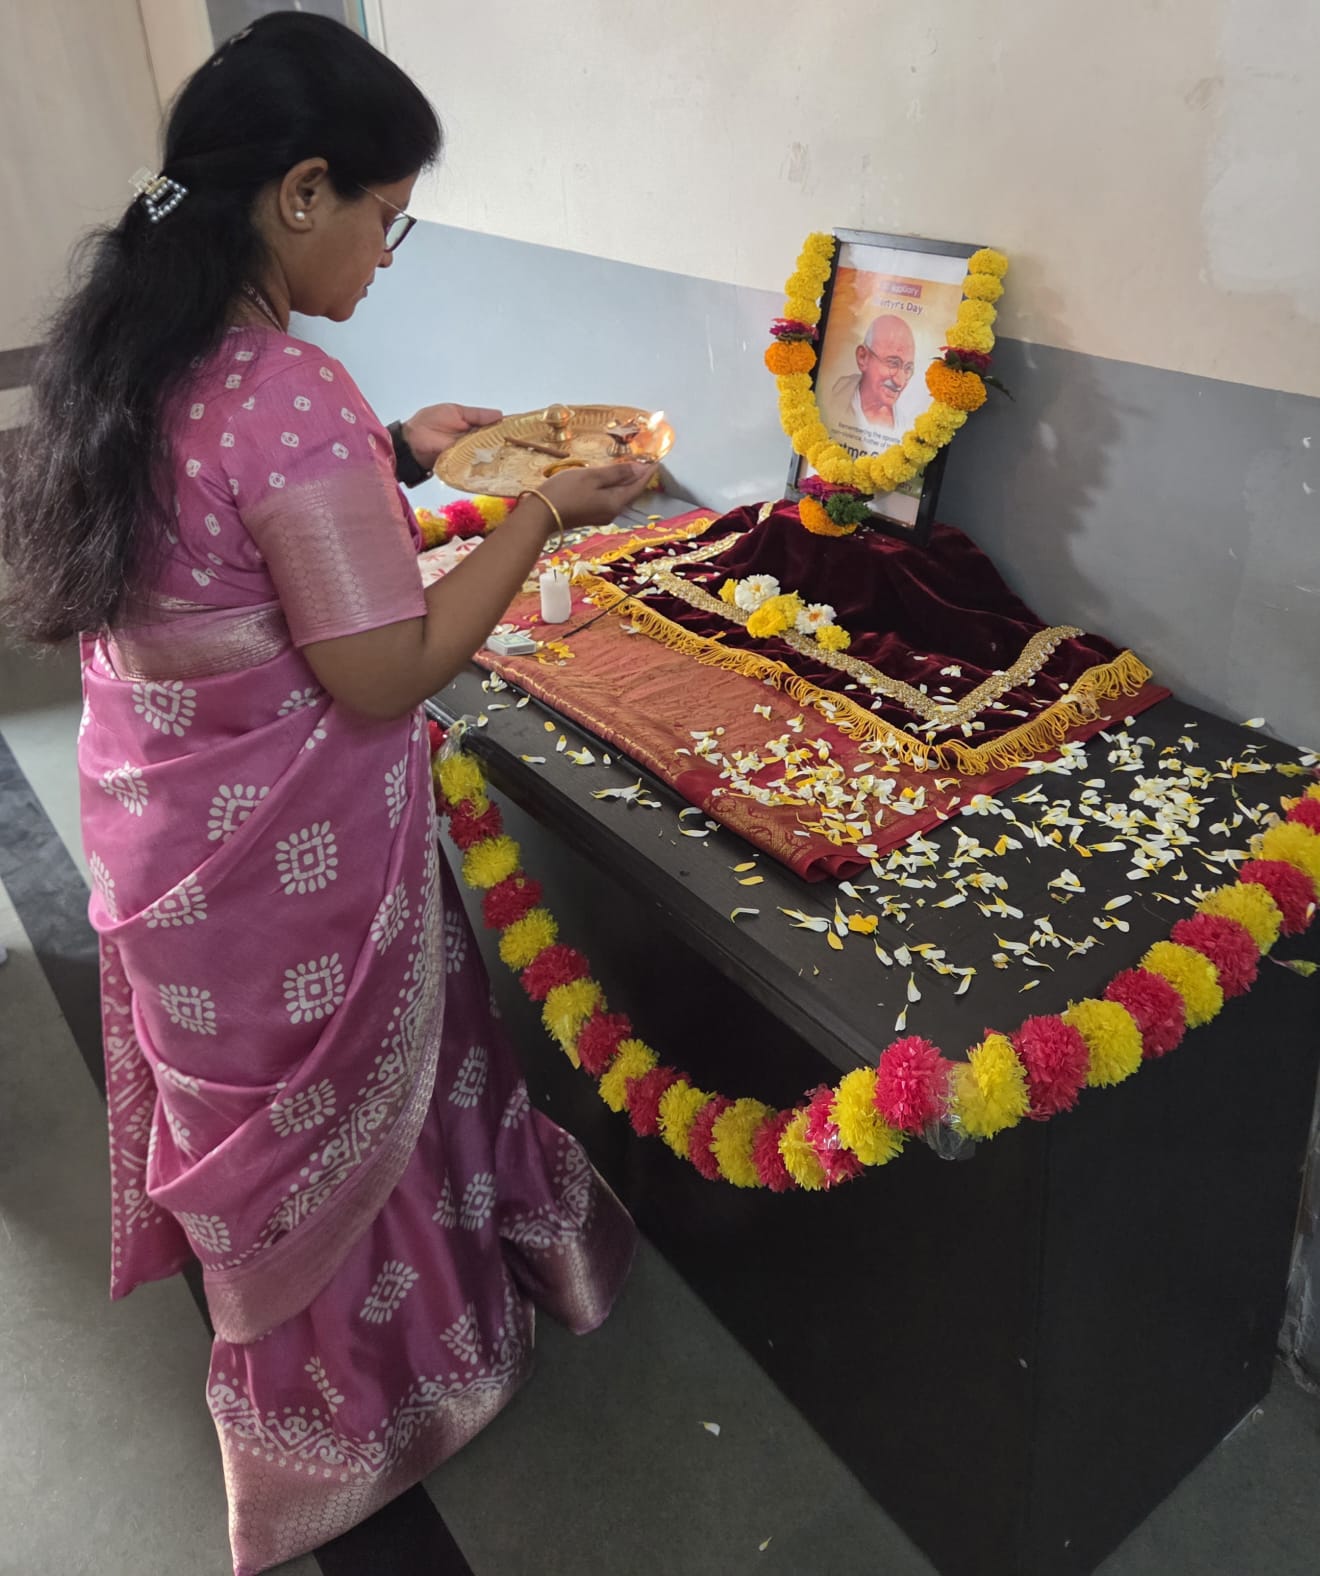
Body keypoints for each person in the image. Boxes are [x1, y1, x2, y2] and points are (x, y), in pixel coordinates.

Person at [0, 15, 647, 1574]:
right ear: (302, 193)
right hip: (292, 868)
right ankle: (380, 1396)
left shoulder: (128, 350)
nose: (385, 254)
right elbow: (383, 670)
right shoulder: (291, 390)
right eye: (385, 216)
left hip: (169, 845)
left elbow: (221, 544)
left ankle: (304, 1354)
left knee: (269, 1113)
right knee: (355, 1101)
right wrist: (541, 510)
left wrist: (403, 458)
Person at [825, 313, 917, 442]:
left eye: (908, 369)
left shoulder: (908, 429)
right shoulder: (835, 395)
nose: (900, 382)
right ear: (863, 357)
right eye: (893, 363)